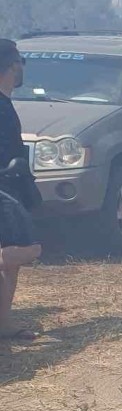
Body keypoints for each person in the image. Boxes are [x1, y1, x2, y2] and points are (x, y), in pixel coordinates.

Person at [0, 39, 43, 339]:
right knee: (25, 251)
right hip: (3, 190)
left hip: (9, 189)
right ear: (12, 66)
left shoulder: (5, 103)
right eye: (20, 62)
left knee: (11, 262)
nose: (22, 67)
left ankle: (4, 324)